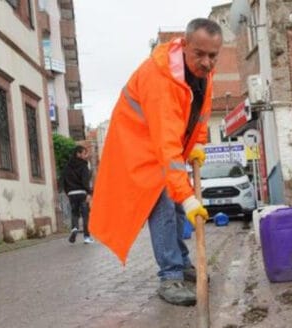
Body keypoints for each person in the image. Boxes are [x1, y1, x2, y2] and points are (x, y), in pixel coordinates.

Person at [89, 18, 222, 306]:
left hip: (163, 145)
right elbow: (167, 144)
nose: (207, 62)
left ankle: (182, 263)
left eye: (213, 55)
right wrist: (188, 198)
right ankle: (170, 276)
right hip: (138, 146)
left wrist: (199, 140)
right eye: (200, 54)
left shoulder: (202, 72)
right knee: (164, 204)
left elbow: (201, 111)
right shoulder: (161, 78)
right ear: (185, 45)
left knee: (175, 206)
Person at [62, 145, 94, 244]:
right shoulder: (83, 165)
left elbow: (64, 181)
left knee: (74, 212)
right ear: (78, 154)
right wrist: (89, 192)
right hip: (82, 193)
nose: (86, 155)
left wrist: (68, 192)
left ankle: (74, 228)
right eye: (84, 153)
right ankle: (86, 237)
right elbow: (85, 181)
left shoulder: (67, 166)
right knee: (85, 215)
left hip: (71, 193)